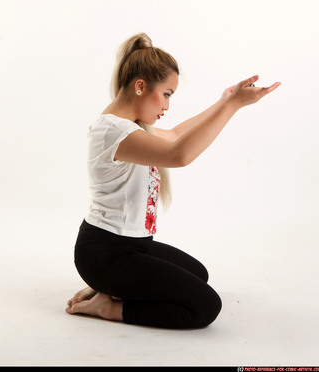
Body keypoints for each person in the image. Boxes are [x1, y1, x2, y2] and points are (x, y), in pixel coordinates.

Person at [66, 32, 280, 329]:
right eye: (166, 94)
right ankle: (109, 307)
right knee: (204, 306)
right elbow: (180, 154)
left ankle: (111, 288)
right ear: (141, 86)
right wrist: (232, 107)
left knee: (198, 276)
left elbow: (178, 135)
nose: (167, 105)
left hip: (134, 246)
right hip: (106, 253)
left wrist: (226, 102)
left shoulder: (131, 127)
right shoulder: (112, 130)